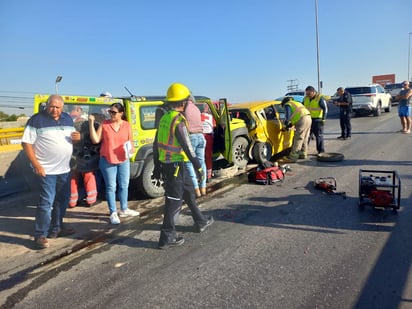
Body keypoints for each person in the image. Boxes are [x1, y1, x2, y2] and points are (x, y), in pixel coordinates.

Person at [153, 82, 214, 249]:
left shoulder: (165, 117)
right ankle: (167, 238)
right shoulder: (178, 120)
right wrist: (199, 167)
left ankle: (200, 221)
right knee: (173, 202)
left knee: (188, 192)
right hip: (175, 167)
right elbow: (187, 146)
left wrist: (157, 166)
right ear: (183, 102)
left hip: (171, 165)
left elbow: (156, 142)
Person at [21, 95, 81, 249]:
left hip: (64, 169)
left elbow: (71, 139)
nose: (55, 110)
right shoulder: (36, 120)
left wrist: (77, 138)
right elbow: (26, 143)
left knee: (62, 200)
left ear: (63, 108)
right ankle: (40, 234)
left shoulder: (67, 119)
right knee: (46, 202)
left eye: (58, 107)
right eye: (52, 106)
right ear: (47, 106)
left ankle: (56, 228)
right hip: (46, 170)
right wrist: (36, 165)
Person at [88, 102, 140, 225]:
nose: (111, 114)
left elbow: (131, 142)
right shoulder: (105, 124)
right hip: (107, 160)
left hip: (123, 160)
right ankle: (113, 212)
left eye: (114, 112)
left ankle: (124, 209)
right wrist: (91, 123)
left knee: (124, 185)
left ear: (121, 114)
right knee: (111, 187)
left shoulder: (127, 125)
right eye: (110, 111)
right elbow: (95, 140)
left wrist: (131, 149)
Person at [184, 97, 207, 197]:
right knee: (201, 162)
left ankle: (196, 189)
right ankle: (203, 187)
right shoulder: (196, 108)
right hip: (201, 136)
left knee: (189, 163)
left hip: (191, 136)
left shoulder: (185, 109)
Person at [280, 96, 312, 162]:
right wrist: (290, 124)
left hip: (302, 119)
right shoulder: (296, 103)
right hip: (308, 117)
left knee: (298, 138)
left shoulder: (287, 105)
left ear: (284, 103)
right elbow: (295, 115)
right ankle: (303, 153)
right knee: (305, 137)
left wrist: (285, 125)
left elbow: (287, 117)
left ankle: (292, 157)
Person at [303, 86, 328, 154]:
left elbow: (325, 109)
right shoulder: (305, 98)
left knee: (319, 136)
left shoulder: (320, 98)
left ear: (313, 92)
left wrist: (323, 119)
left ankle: (320, 151)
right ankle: (304, 151)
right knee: (307, 136)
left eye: (309, 94)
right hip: (308, 120)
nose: (308, 95)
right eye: (307, 94)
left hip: (317, 120)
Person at [201, 104, 215, 181]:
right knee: (208, 157)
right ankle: (209, 175)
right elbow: (214, 126)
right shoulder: (210, 117)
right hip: (208, 137)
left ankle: (200, 175)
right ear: (207, 108)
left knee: (200, 157)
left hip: (199, 136)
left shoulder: (197, 116)